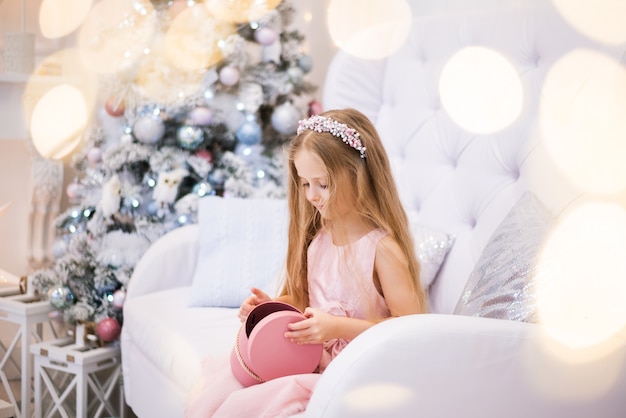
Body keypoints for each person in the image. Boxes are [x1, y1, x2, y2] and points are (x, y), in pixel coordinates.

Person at [185, 108, 426, 418]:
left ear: (359, 175)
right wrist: (270, 309)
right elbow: (304, 301)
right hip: (311, 359)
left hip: (360, 368)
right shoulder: (319, 240)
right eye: (305, 183)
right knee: (231, 386)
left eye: (322, 184)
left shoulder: (382, 249)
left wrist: (339, 327)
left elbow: (412, 328)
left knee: (270, 399)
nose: (311, 195)